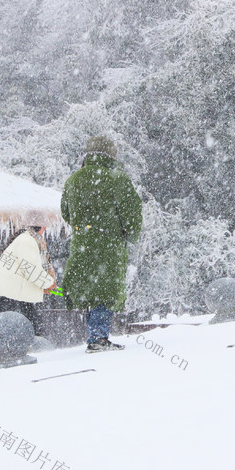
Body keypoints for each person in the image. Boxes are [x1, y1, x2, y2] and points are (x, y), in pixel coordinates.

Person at [61, 136, 142, 353]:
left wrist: (84, 228)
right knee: (105, 289)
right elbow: (131, 214)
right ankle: (98, 337)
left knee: (90, 288)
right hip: (109, 245)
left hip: (82, 244)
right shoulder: (117, 179)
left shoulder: (73, 180)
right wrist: (128, 233)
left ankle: (94, 334)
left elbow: (66, 213)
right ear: (111, 155)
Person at [0, 224, 57, 335]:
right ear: (39, 227)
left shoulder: (25, 238)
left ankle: (27, 345)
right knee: (22, 328)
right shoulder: (27, 241)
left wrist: (43, 285)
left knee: (14, 327)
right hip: (11, 291)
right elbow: (30, 269)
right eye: (44, 226)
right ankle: (32, 346)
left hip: (10, 290)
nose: (45, 229)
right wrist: (47, 283)